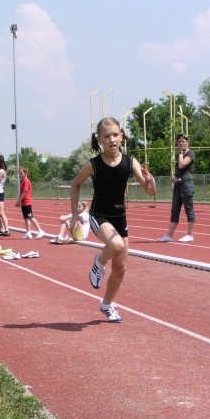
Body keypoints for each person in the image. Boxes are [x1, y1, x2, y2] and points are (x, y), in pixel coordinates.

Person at [70, 117, 156, 322]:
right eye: (107, 136)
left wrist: (149, 178)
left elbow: (148, 191)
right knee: (115, 245)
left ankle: (106, 305)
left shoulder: (130, 161)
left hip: (120, 217)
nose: (112, 139)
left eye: (116, 135)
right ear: (99, 139)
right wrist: (74, 214)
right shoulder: (93, 165)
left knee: (121, 268)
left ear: (122, 136)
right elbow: (75, 185)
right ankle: (98, 261)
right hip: (99, 216)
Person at [157, 133, 196, 243]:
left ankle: (189, 234)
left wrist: (180, 153)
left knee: (189, 209)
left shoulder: (190, 153)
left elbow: (182, 165)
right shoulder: (180, 154)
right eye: (179, 141)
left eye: (183, 141)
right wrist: (174, 177)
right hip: (178, 184)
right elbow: (179, 170)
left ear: (187, 141)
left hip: (187, 184)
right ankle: (169, 235)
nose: (181, 143)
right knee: (175, 210)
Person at [15, 166, 45, 240]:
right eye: (19, 173)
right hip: (23, 202)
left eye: (21, 173)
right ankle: (28, 233)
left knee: (30, 217)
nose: (20, 174)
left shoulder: (26, 181)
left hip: (27, 202)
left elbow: (25, 192)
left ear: (25, 173)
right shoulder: (22, 181)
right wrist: (19, 201)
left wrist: (18, 201)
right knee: (26, 218)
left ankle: (40, 230)